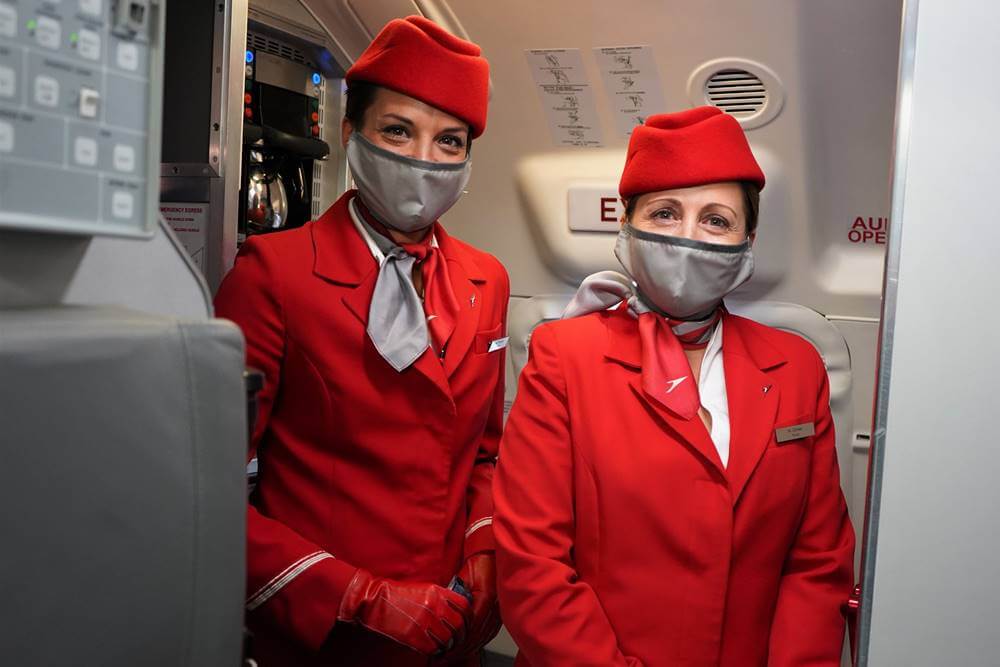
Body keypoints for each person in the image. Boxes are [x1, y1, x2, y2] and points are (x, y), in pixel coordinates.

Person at [493, 107, 855, 667]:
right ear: (627, 226)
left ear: (747, 242)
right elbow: (532, 566)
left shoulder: (797, 367)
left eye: (716, 220)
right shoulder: (563, 358)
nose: (690, 239)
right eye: (665, 214)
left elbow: (818, 563)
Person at [215, 16, 507, 666]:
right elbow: (209, 490)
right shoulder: (275, 275)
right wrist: (358, 595)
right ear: (351, 134)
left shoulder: (488, 280)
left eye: (449, 141)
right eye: (398, 130)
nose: (423, 160)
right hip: (326, 633)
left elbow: (486, 453)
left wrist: (485, 546)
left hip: (450, 628)